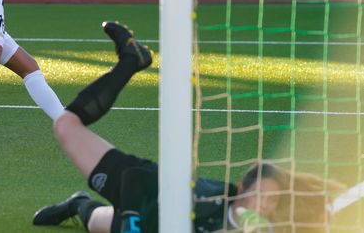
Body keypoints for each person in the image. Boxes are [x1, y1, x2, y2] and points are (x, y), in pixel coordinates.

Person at [32, 22, 345, 232]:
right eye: (260, 194)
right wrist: (131, 222)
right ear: (243, 191)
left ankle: (78, 203)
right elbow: (135, 177)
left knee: (96, 220)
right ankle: (131, 60)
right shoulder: (212, 200)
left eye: (271, 201)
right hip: (143, 199)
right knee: (65, 126)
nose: (262, 204)